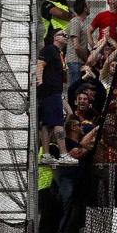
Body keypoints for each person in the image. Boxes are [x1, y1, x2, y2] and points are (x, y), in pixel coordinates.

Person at [37, 29, 68, 162]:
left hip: (52, 90)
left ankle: (46, 154)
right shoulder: (49, 49)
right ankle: (64, 154)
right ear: (55, 37)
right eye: (63, 34)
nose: (66, 36)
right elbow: (40, 65)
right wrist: (40, 82)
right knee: (57, 123)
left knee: (47, 124)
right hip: (50, 90)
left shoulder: (59, 53)